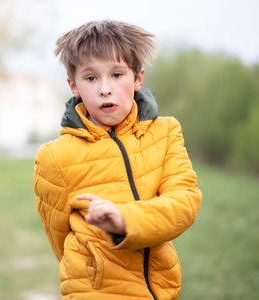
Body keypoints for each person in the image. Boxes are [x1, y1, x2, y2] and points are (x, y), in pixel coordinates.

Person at [33, 20, 202, 300]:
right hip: (93, 291)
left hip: (162, 289)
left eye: (117, 74)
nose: (104, 89)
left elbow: (185, 202)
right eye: (91, 78)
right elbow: (60, 241)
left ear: (138, 78)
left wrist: (124, 221)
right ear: (73, 85)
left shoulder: (166, 132)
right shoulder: (54, 156)